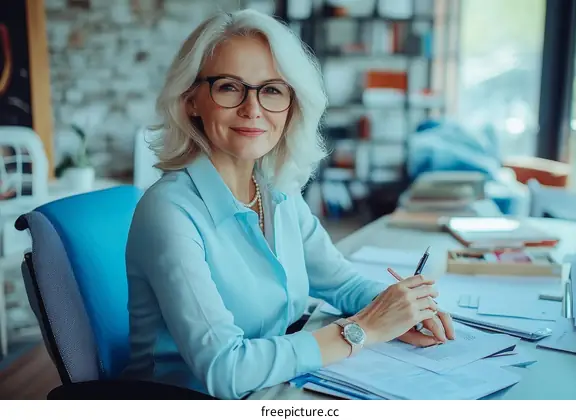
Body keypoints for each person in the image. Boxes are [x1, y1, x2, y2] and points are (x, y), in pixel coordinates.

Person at [123, 9, 455, 400]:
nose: (252, 108)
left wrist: (400, 311)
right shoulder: (169, 212)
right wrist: (364, 329)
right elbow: (224, 370)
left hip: (273, 388)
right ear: (191, 99)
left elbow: (342, 282)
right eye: (229, 87)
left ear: (292, 104)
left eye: (272, 89)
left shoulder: (275, 189)